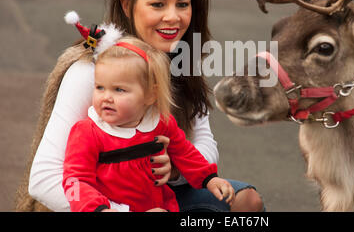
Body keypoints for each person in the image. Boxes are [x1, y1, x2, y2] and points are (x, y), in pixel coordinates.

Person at [24, 0, 264, 212]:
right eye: (158, 4)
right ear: (127, 5)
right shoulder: (92, 71)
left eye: (183, 4)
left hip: (158, 197)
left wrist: (174, 170)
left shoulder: (180, 63)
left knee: (246, 202)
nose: (173, 17)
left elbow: (203, 144)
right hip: (97, 205)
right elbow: (44, 179)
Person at [63, 36, 234, 212]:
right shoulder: (88, 132)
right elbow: (75, 180)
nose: (106, 97)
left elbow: (185, 153)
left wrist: (209, 178)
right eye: (100, 87)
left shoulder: (160, 123)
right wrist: (98, 209)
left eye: (119, 89)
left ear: (150, 95)